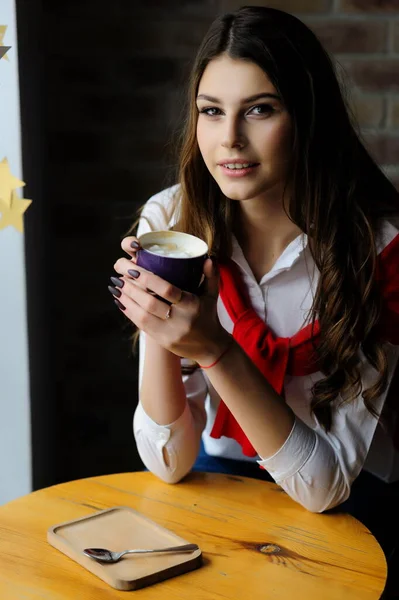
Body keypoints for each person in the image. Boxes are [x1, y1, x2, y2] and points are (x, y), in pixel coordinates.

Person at [110, 5, 399, 570]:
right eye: (211, 112)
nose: (230, 140)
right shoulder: (172, 218)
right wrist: (156, 333)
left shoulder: (380, 248)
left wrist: (215, 350)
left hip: (358, 501)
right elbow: (168, 462)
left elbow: (325, 487)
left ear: (308, 116)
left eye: (260, 110)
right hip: (217, 488)